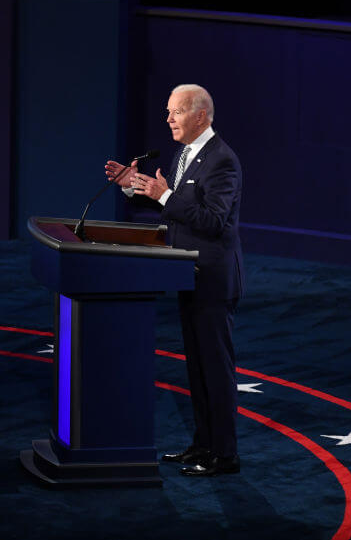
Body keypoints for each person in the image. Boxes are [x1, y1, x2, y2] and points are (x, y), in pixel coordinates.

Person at [104, 84, 244, 477]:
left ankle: (225, 455)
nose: (168, 119)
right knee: (197, 370)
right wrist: (136, 187)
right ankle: (202, 446)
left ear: (200, 115)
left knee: (216, 370)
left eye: (175, 112)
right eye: (168, 111)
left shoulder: (223, 161)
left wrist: (164, 196)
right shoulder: (186, 153)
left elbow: (212, 220)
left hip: (213, 282)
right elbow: (180, 209)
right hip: (187, 275)